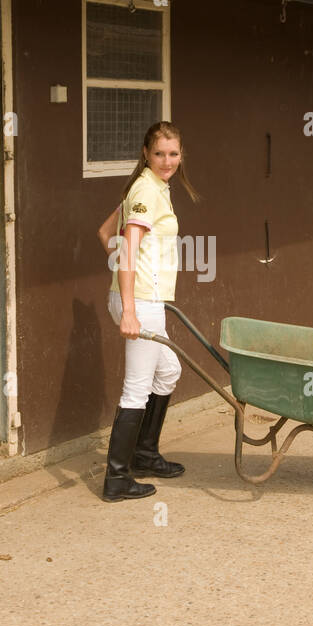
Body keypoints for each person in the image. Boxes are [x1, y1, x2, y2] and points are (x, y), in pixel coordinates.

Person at [95, 121, 200, 502]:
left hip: (144, 298)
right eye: (159, 153)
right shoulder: (145, 189)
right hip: (140, 301)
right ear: (145, 153)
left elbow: (105, 234)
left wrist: (124, 270)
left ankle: (143, 454)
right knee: (136, 387)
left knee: (168, 370)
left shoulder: (152, 188)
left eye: (173, 154)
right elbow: (125, 244)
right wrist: (128, 308)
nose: (167, 160)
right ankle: (117, 479)